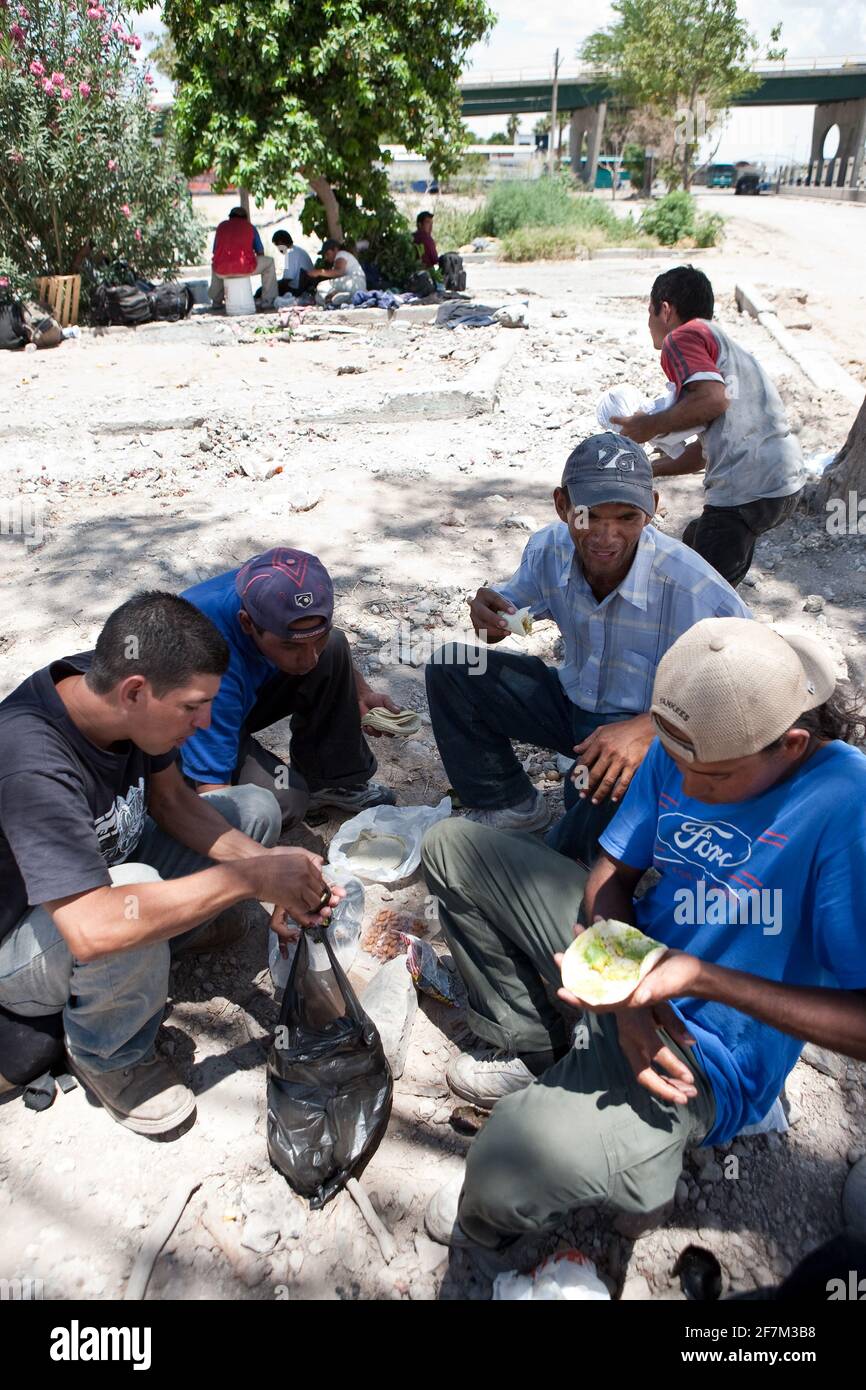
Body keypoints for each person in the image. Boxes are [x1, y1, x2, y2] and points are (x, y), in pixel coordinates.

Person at [420, 618, 866, 1249]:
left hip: (701, 1054)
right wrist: (631, 994)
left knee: (495, 1179)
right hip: (636, 973)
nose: (683, 785)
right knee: (452, 849)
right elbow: (610, 876)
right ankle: (545, 1048)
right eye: (675, 763)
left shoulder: (847, 804)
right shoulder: (692, 742)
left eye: (710, 780)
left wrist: (703, 980)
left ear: (791, 745)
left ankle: (667, 1144)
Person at [0, 593, 339, 1133]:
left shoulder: (115, 689)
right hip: (23, 944)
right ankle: (110, 1058)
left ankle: (166, 937)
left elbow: (173, 803)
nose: (205, 723)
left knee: (252, 809)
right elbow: (92, 927)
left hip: (105, 879)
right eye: (191, 707)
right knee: (131, 893)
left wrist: (274, 873)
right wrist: (245, 878)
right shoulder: (30, 760)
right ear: (135, 692)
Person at [426, 432, 749, 865]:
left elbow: (749, 689)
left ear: (651, 509)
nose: (605, 535)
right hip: (573, 703)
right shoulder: (548, 550)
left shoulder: (692, 587)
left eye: (626, 518)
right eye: (588, 516)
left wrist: (651, 728)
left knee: (577, 833)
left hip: (649, 730)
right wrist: (489, 614)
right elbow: (509, 612)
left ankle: (569, 858)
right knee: (452, 666)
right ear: (562, 505)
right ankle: (510, 804)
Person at [611, 265, 806, 587]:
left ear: (665, 309)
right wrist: (647, 469)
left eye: (649, 312)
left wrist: (648, 426)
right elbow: (703, 453)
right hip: (780, 483)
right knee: (694, 541)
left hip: (745, 490)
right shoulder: (725, 345)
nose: (648, 323)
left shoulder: (682, 337)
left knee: (700, 596)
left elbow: (713, 400)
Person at [180, 547, 404, 822]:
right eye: (290, 645)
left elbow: (316, 645)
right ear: (247, 623)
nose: (309, 659)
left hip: (236, 698)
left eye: (316, 637)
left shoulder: (270, 590)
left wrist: (360, 693)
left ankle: (332, 781)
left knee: (332, 647)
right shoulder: (208, 665)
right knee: (285, 800)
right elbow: (213, 795)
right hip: (186, 726)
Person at [209, 206, 279, 310]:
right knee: (269, 262)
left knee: (217, 264)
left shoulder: (221, 227)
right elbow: (260, 252)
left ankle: (216, 301)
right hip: (245, 268)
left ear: (230, 217)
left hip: (222, 270)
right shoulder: (250, 227)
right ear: (245, 217)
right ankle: (268, 301)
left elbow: (215, 251)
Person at [305, 239, 366, 307]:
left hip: (355, 282)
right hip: (357, 287)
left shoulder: (341, 254)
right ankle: (341, 299)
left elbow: (339, 272)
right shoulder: (342, 256)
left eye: (327, 254)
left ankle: (333, 301)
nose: (326, 258)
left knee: (322, 286)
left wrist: (319, 272)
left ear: (335, 249)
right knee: (319, 296)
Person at [271, 230, 314, 296]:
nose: (278, 249)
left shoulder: (290, 253)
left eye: (278, 245)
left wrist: (274, 285)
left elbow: (288, 278)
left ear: (281, 243)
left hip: (298, 289)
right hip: (306, 285)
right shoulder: (298, 250)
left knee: (266, 290)